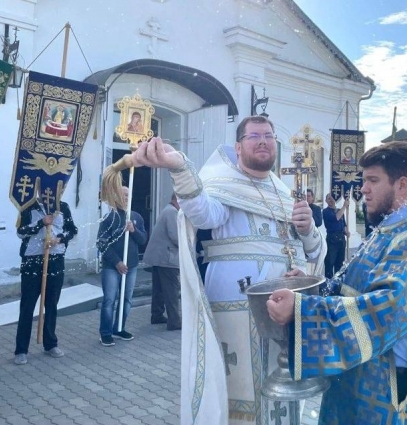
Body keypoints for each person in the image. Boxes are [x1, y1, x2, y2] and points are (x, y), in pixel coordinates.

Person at [130, 115, 326, 425]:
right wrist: (179, 166)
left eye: (268, 135)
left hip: (285, 309)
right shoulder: (223, 185)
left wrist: (307, 232)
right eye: (254, 136)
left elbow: (311, 252)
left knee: (281, 393)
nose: (263, 140)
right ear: (238, 147)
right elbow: (202, 213)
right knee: (241, 393)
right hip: (237, 305)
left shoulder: (283, 192)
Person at [266, 141, 407, 424]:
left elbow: (382, 313)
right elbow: (346, 288)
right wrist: (308, 288)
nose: (363, 188)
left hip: (390, 393)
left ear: (402, 186)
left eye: (373, 180)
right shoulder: (384, 232)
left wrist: (302, 309)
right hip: (357, 378)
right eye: (364, 180)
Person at [13, 199, 78, 365]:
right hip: (32, 260)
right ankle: (21, 349)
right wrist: (41, 223)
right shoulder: (28, 206)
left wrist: (59, 239)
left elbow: (72, 230)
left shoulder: (63, 207)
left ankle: (50, 343)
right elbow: (20, 232)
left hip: (55, 259)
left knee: (51, 304)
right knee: (27, 305)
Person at [97, 186, 147, 347]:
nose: (125, 198)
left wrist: (133, 230)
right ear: (115, 197)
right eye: (122, 195)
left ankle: (119, 328)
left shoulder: (136, 217)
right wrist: (117, 262)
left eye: (127, 195)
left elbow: (143, 240)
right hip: (112, 266)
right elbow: (102, 243)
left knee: (126, 299)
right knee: (110, 300)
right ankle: (105, 333)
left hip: (131, 266)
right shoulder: (108, 218)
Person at [143, 193, 182, 330]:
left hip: (159, 256)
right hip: (167, 258)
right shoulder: (172, 212)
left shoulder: (167, 210)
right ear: (177, 199)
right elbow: (176, 236)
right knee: (172, 289)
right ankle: (174, 321)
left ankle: (157, 315)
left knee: (159, 288)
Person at [322, 193, 349, 278]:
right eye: (329, 198)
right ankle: (328, 283)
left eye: (333, 198)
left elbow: (343, 224)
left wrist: (346, 232)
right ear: (326, 201)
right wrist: (344, 206)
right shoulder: (326, 211)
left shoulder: (339, 211)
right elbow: (336, 218)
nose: (331, 200)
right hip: (332, 240)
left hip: (341, 239)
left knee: (340, 263)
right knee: (330, 263)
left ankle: (338, 283)